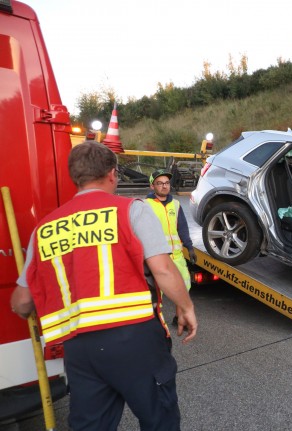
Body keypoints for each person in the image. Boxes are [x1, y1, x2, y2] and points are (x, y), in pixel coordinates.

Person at [10, 141, 197, 431]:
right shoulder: (131, 210)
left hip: (80, 349)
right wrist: (186, 307)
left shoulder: (44, 229)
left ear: (75, 178)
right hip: (135, 338)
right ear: (112, 174)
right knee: (159, 419)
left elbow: (21, 302)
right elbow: (162, 268)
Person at [146, 168, 197, 326]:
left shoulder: (175, 204)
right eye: (159, 183)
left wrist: (190, 248)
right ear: (152, 186)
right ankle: (156, 322)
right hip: (157, 257)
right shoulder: (145, 205)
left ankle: (178, 318)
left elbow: (182, 228)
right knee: (156, 292)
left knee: (182, 288)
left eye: (167, 183)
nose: (164, 186)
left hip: (176, 256)